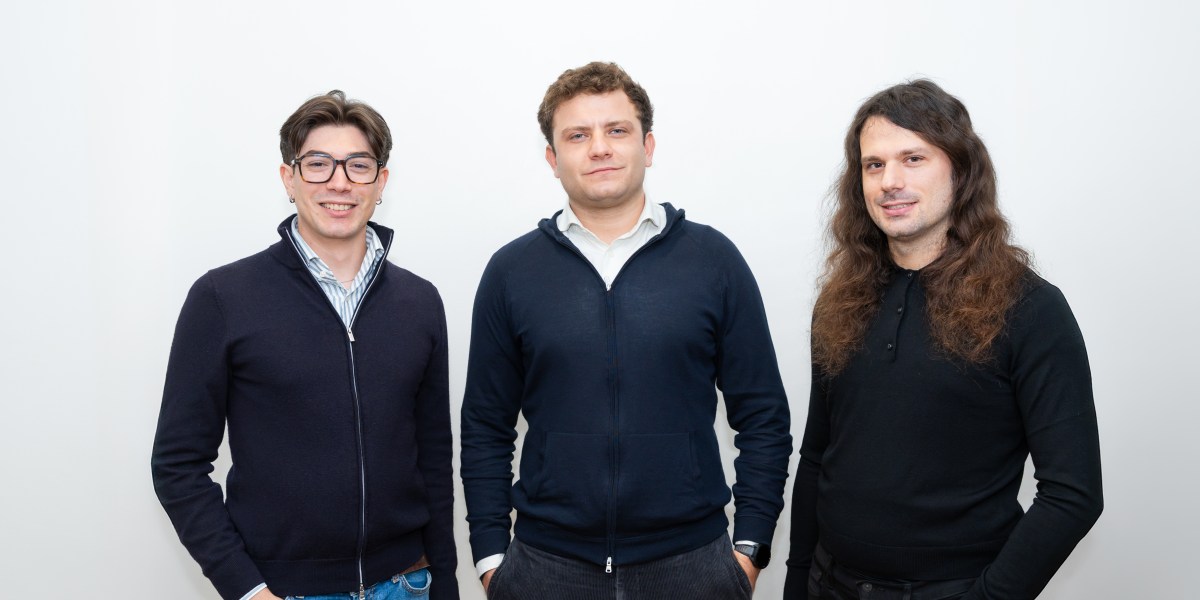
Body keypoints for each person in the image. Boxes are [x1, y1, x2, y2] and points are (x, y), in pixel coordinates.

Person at [460, 61, 793, 599]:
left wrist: (749, 550)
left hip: (693, 566)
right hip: (546, 568)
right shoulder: (512, 271)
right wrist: (492, 558)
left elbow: (763, 415)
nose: (600, 148)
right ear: (552, 159)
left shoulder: (713, 261)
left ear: (648, 145)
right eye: (578, 135)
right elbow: (484, 426)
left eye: (617, 130)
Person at [784, 80, 1103, 599]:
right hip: (829, 582)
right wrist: (797, 583)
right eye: (873, 164)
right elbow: (817, 457)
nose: (890, 181)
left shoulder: (1030, 308)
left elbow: (1073, 495)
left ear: (960, 169)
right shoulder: (840, 301)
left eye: (913, 159)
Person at [151, 90, 458, 600]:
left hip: (407, 583)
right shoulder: (223, 298)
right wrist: (247, 590)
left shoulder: (419, 301)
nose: (339, 182)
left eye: (358, 165)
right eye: (317, 164)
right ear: (288, 179)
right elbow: (177, 465)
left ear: (381, 182)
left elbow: (434, 460)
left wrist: (444, 585)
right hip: (285, 590)